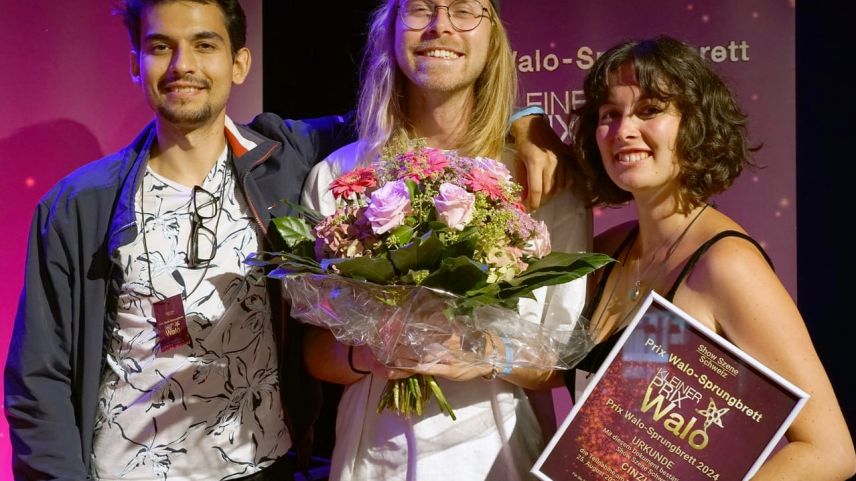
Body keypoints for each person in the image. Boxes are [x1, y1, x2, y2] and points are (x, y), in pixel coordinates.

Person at [3, 1, 567, 479]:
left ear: (239, 62)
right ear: (134, 62)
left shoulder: (282, 163)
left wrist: (525, 118)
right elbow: (38, 379)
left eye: (204, 45)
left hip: (264, 467)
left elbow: (426, 115)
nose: (183, 66)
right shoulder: (81, 204)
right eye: (159, 47)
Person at [300, 1, 591, 479]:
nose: (441, 26)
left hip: (499, 459)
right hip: (372, 460)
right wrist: (372, 355)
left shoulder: (541, 179)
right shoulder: (339, 175)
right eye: (421, 9)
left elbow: (559, 362)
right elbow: (314, 349)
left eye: (463, 10)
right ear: (391, 29)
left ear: (492, 35)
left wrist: (482, 352)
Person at [566, 36, 855, 480]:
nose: (623, 130)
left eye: (650, 110)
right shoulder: (605, 252)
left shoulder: (727, 266)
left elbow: (831, 452)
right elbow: (547, 371)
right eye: (610, 114)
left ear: (696, 125)